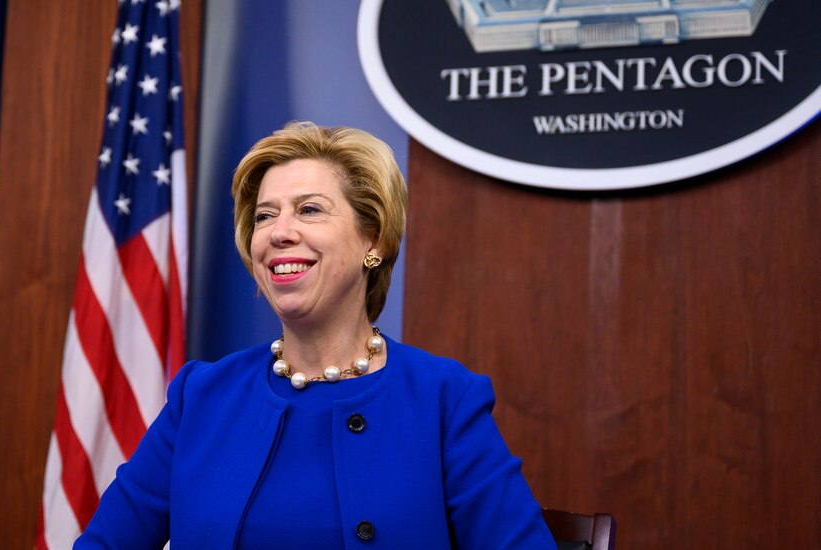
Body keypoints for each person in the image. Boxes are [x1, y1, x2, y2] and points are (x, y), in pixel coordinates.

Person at [76, 122, 557, 549]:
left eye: (309, 209)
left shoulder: (444, 399)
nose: (279, 232)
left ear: (374, 240)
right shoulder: (200, 395)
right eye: (264, 216)